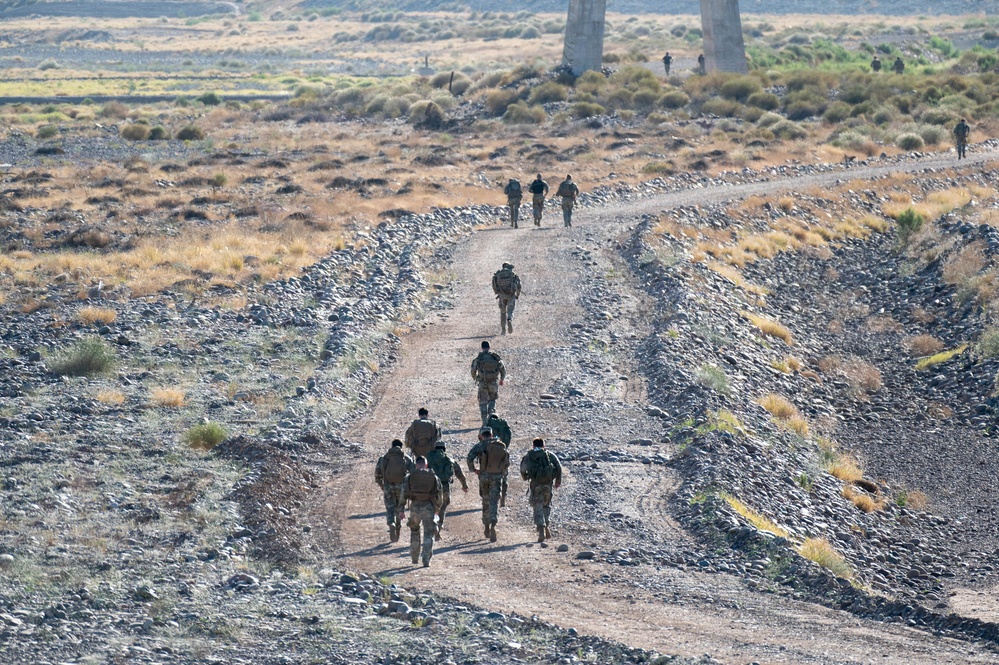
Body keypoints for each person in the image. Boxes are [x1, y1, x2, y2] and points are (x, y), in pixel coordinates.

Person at [466, 427, 509, 542]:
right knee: (494, 500)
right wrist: (502, 474)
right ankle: (494, 524)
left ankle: (486, 527)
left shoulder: (480, 445)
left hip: (484, 477)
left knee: (485, 500)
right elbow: (506, 462)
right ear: (491, 434)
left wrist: (474, 470)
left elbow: (469, 458)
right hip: (497, 477)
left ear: (481, 435)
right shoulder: (501, 445)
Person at [399, 456, 442, 567]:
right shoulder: (434, 477)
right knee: (428, 533)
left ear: (416, 464)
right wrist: (437, 509)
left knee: (414, 532)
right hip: (429, 507)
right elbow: (439, 495)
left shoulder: (409, 477)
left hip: (415, 507)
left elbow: (403, 494)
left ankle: (414, 557)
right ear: (426, 465)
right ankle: (426, 559)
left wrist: (401, 510)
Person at [520, 437, 563, 543]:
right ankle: (546, 525)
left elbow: (522, 469)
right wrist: (558, 481)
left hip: (536, 485)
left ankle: (541, 529)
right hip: (548, 484)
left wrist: (525, 477)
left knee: (537, 506)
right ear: (544, 445)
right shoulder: (549, 455)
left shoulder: (529, 456)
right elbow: (559, 467)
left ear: (533, 445)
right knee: (546, 505)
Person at [374, 439, 415, 543]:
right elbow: (414, 473)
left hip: (388, 486)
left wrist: (381, 485)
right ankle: (397, 528)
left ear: (392, 446)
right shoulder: (406, 458)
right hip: (401, 486)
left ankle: (390, 523)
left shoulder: (384, 458)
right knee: (399, 507)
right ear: (401, 447)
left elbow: (377, 474)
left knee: (390, 507)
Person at [426, 440, 468, 537]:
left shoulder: (428, 458)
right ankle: (438, 527)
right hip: (444, 487)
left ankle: (432, 525)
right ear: (444, 449)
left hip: (430, 488)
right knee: (442, 508)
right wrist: (464, 485)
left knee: (431, 508)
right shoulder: (449, 460)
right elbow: (459, 473)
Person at [471, 340, 505, 425]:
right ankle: (492, 418)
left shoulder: (479, 358)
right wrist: (501, 379)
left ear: (482, 348)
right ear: (489, 347)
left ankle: (484, 422)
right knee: (492, 400)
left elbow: (473, 371)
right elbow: (503, 369)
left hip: (482, 382)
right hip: (493, 382)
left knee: (483, 402)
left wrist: (476, 378)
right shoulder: (495, 357)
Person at [485, 410, 512, 506]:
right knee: (504, 477)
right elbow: (509, 436)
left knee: (490, 477)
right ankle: (503, 498)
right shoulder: (503, 425)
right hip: (503, 452)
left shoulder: (488, 425)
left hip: (490, 456)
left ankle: (489, 499)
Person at [492, 262, 522, 335]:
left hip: (502, 296)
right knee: (510, 310)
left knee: (502, 312)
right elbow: (519, 286)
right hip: (511, 295)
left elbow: (494, 285)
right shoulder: (512, 274)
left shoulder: (498, 274)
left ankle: (503, 330)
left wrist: (497, 292)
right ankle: (509, 319)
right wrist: (517, 294)